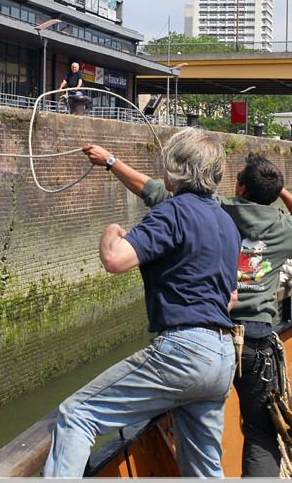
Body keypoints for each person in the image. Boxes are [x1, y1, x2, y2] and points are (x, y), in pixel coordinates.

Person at [82, 144, 292, 477]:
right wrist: (279, 190)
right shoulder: (287, 230)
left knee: (196, 412)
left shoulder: (217, 211)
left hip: (213, 337)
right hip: (255, 341)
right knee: (260, 430)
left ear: (239, 188)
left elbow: (151, 190)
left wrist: (110, 161)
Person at [44, 128, 240, 478]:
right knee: (205, 470)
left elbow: (116, 260)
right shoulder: (226, 223)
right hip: (223, 357)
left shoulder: (173, 212)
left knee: (78, 414)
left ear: (173, 170)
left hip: (185, 350)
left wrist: (111, 231)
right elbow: (230, 297)